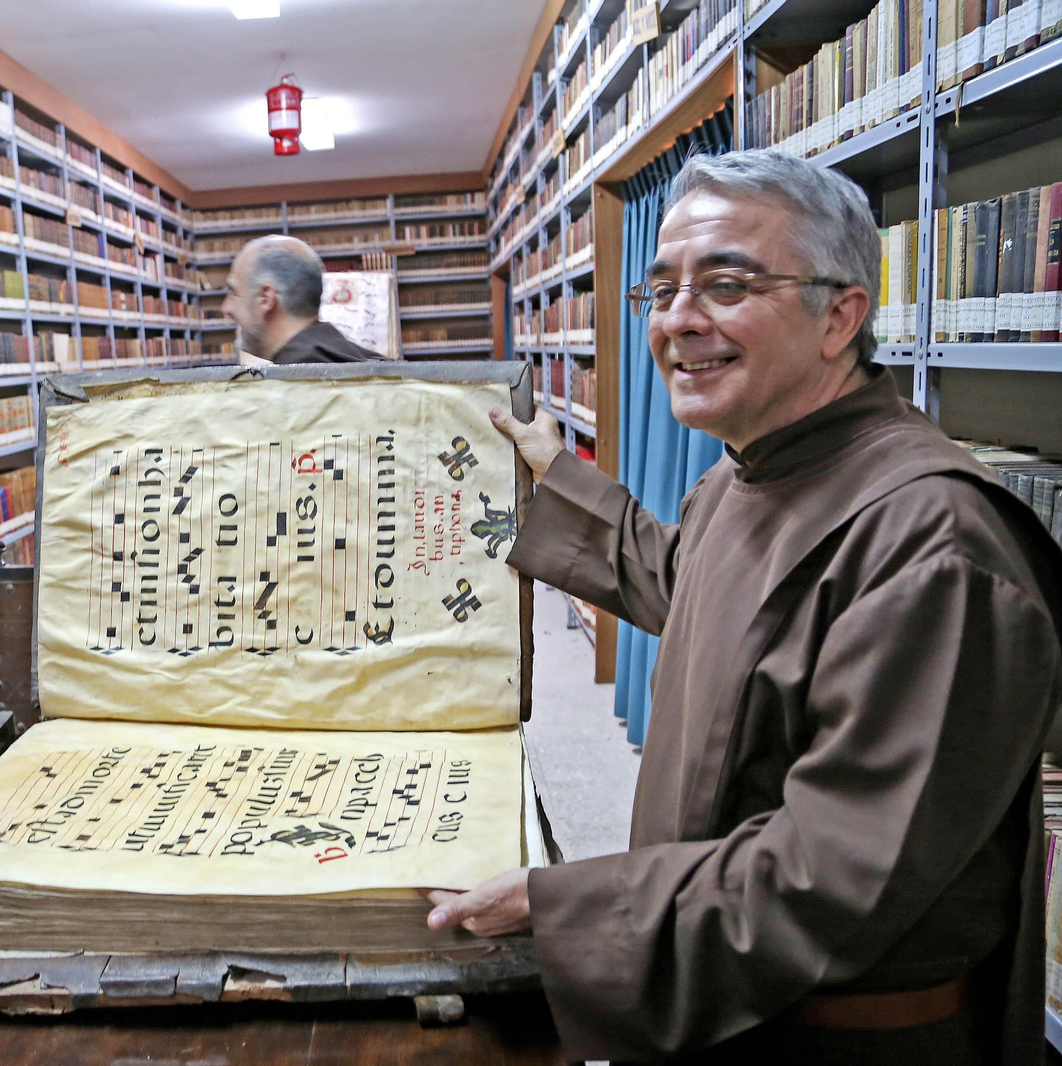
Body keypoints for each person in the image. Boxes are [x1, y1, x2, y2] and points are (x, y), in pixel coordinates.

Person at [421, 150, 1062, 1065]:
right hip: (727, 993)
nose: (679, 320)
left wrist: (562, 907)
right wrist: (551, 473)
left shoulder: (934, 544)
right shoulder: (745, 473)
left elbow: (834, 872)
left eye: (726, 286)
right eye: (663, 290)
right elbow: (692, 588)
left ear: (840, 316)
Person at [221, 234, 381, 363]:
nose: (226, 309)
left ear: (266, 299)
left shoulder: (296, 382)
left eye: (234, 292)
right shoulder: (372, 364)